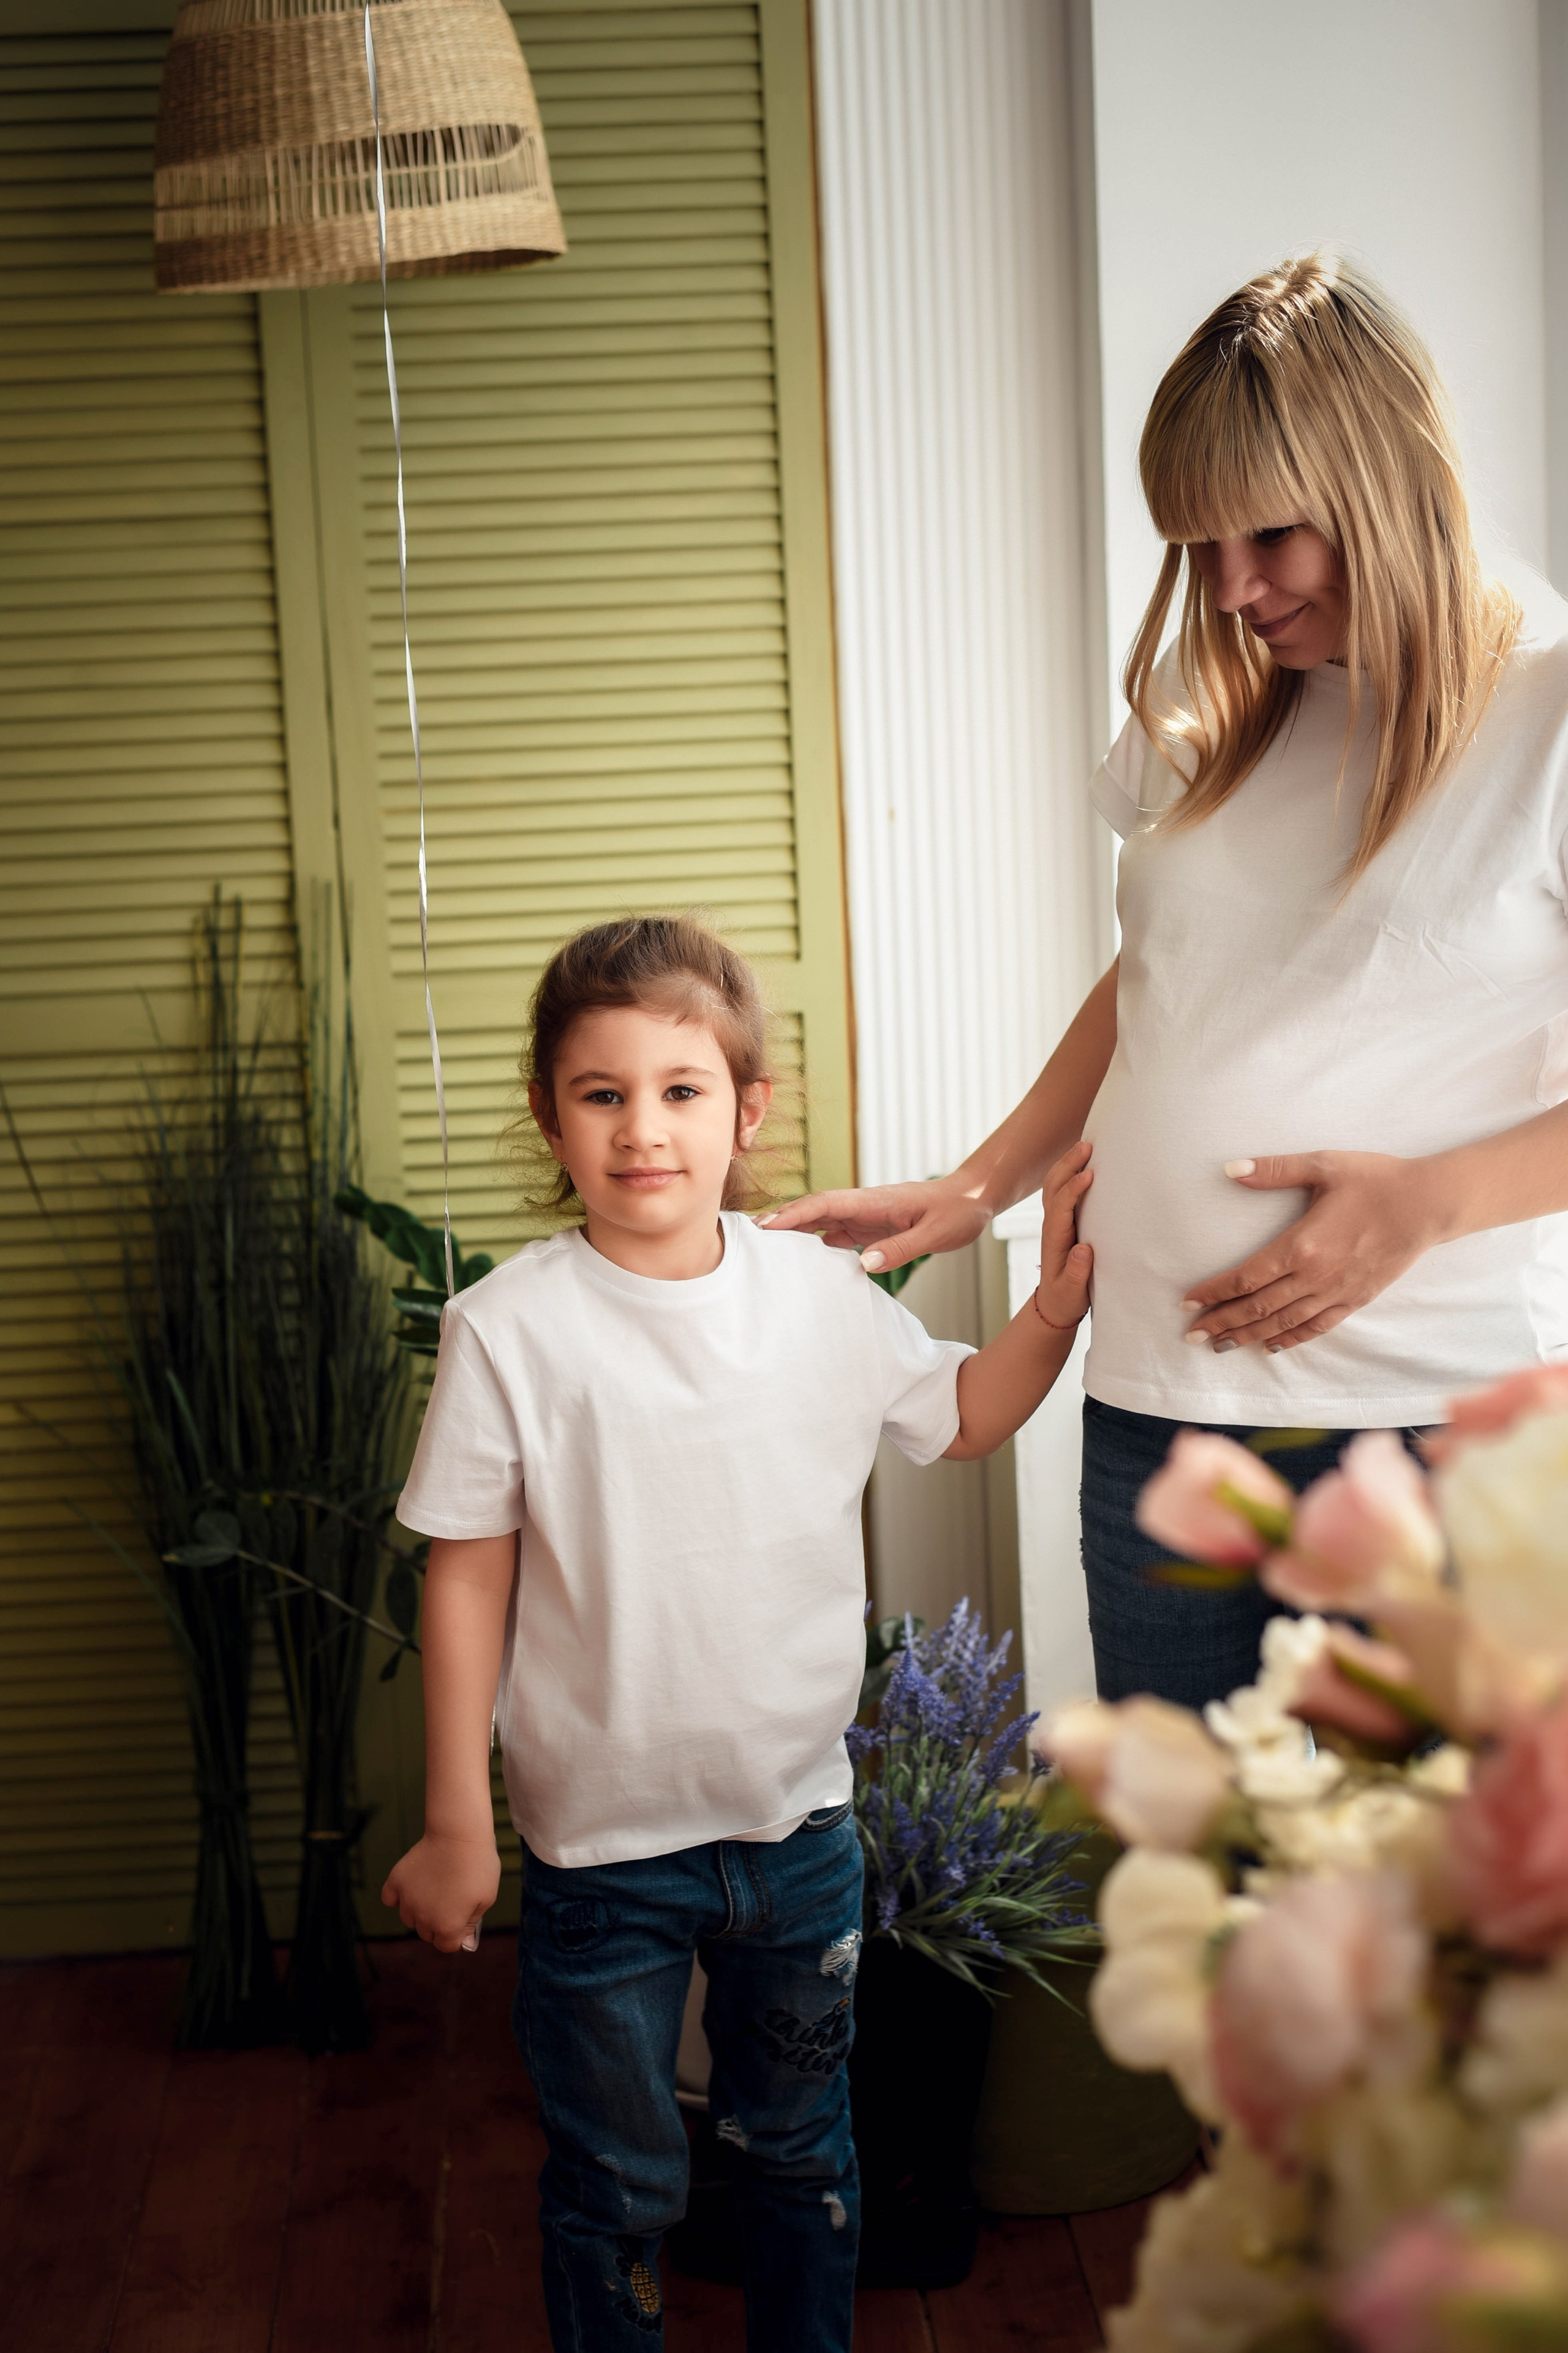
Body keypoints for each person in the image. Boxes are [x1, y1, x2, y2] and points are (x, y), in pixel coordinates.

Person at [766, 252, 1568, 1713]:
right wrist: (978, 1186)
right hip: (1157, 1409)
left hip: (1434, 1422)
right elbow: (1161, 978)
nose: (1232, 589)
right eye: (1196, 546)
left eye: (1269, 533)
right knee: (1197, 1890)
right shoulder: (1213, 714)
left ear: (1390, 481)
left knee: (1438, 1912)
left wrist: (1416, 1206)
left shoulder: (1550, 715)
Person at [381, 913, 1094, 2353]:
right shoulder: (506, 1329)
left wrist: (1058, 1307)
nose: (643, 1129)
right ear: (550, 1114)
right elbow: (463, 1576)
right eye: (602, 1094)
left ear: (744, 1107)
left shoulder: (817, 1297)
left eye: (680, 1090)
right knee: (619, 2181)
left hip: (797, 1835)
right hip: (600, 1861)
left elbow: (960, 1415)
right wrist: (457, 1816)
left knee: (801, 2158)